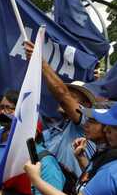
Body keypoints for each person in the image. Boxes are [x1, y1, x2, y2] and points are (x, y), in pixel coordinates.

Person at [25, 41, 96, 177]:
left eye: (72, 96)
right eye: (67, 92)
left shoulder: (86, 123)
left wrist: (41, 63)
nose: (65, 98)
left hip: (73, 193)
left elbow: (62, 95)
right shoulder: (54, 130)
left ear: (85, 105)